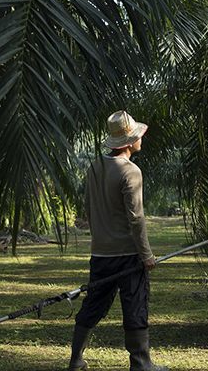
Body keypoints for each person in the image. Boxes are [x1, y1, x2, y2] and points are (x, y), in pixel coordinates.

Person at [68, 110, 167, 371]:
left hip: (100, 253)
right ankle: (141, 364)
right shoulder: (131, 171)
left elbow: (88, 207)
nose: (141, 139)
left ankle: (76, 358)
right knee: (135, 305)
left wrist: (101, 238)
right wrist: (146, 255)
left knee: (93, 303)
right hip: (127, 254)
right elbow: (136, 219)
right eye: (138, 136)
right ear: (128, 143)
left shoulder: (95, 167)